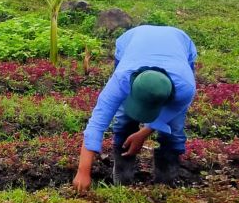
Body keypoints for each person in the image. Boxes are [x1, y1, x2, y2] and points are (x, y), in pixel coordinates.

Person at [72, 25, 197, 191]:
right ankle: (122, 181)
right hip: (132, 40)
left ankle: (166, 185)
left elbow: (172, 111)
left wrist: (143, 133)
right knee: (124, 119)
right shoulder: (121, 81)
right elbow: (96, 124)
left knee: (174, 128)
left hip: (179, 43)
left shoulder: (185, 87)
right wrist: (83, 172)